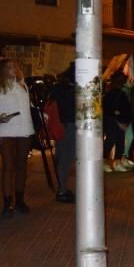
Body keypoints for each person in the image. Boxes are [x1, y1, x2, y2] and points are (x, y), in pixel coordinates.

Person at [0, 60, 36, 218]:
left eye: (15, 66)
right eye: (10, 67)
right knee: (8, 166)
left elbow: (29, 107)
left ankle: (19, 200)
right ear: (3, 70)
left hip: (25, 131)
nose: (14, 69)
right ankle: (8, 204)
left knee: (22, 166)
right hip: (6, 131)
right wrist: (0, 118)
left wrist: (41, 115)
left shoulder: (23, 86)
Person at [49, 63, 76, 203]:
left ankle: (62, 188)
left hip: (60, 126)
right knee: (66, 161)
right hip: (71, 126)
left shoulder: (57, 87)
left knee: (61, 158)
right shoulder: (74, 90)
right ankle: (62, 191)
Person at [102, 73, 131, 172]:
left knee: (117, 141)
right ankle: (106, 162)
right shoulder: (118, 93)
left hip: (114, 120)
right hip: (115, 121)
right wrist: (119, 115)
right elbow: (123, 108)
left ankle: (116, 162)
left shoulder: (111, 92)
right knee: (112, 141)